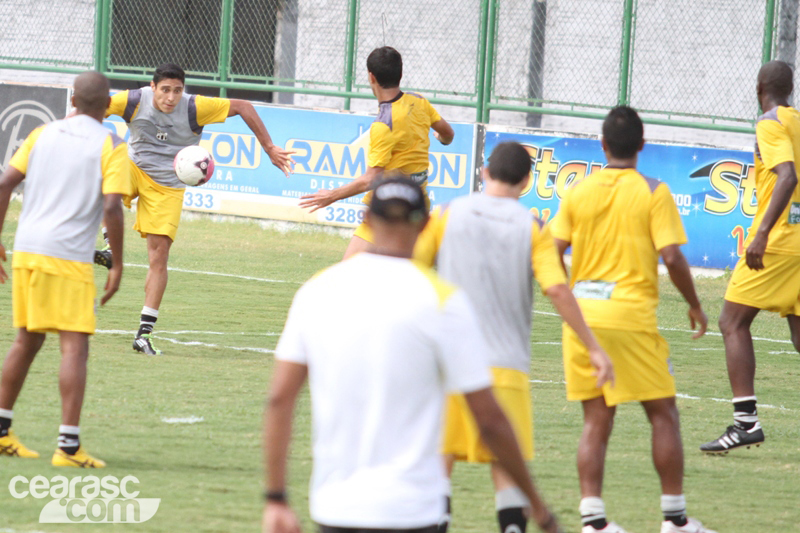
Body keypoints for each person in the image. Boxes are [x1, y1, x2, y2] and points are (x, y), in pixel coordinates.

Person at [263, 177, 563, 533]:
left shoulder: (317, 291)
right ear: (424, 224)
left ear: (367, 219)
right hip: (412, 510)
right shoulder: (446, 301)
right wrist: (540, 509)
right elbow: (490, 421)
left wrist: (276, 498)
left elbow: (280, 399)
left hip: (335, 507)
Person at [414, 141, 614, 533]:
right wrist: (593, 346)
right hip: (505, 366)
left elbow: (411, 267)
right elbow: (556, 288)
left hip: (448, 363)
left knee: (440, 461)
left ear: (484, 173)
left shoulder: (447, 214)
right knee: (506, 465)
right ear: (525, 181)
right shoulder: (533, 227)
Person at [550, 107, 715, 533]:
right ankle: (676, 521)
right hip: (631, 319)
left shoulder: (578, 192)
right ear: (642, 145)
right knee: (662, 414)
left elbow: (550, 252)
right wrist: (694, 304)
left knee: (597, 420)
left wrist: (566, 292)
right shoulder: (653, 192)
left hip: (584, 319)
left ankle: (593, 522)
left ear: (601, 145)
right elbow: (673, 256)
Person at [103, 63, 294, 355]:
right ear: (152, 87)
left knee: (159, 256)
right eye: (165, 90)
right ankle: (108, 247)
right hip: (133, 167)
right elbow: (90, 108)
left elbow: (243, 106)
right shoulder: (131, 100)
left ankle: (143, 334)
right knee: (102, 164)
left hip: (167, 186)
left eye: (177, 91)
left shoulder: (194, 108)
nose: (170, 97)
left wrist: (269, 148)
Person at [0, 71, 128, 467]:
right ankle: (68, 447)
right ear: (108, 105)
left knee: (28, 340)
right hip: (68, 256)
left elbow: (4, 184)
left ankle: (1, 431)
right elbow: (111, 206)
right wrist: (118, 263)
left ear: (72, 99)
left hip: (27, 250)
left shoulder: (41, 133)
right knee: (75, 346)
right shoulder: (111, 143)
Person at [700, 61, 800, 454]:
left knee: (731, 322)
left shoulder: (770, 122)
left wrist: (760, 234)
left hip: (777, 242)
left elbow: (788, 175)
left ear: (759, 86)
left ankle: (746, 424)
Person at [299, 46, 454, 260]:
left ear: (371, 77)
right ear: (400, 73)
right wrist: (442, 140)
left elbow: (371, 179)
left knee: (349, 272)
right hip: (418, 207)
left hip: (388, 210)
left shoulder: (383, 124)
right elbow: (448, 133)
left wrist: (331, 195)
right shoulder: (419, 101)